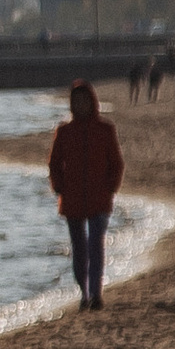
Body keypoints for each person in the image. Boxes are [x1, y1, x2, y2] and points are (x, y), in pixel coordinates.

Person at [47, 79, 123, 310]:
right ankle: (84, 293)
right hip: (72, 199)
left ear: (92, 102)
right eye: (76, 102)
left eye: (84, 101)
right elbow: (54, 164)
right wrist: (59, 186)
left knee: (95, 245)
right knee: (79, 249)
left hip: (99, 198)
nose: (81, 106)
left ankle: (96, 294)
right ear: (71, 105)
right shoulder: (64, 132)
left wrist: (110, 188)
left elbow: (116, 164)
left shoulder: (105, 130)